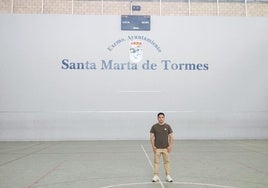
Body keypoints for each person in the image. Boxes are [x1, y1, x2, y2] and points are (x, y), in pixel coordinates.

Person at [150, 112, 173, 182]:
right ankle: (156, 176)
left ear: (164, 118)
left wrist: (170, 146)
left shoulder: (168, 126)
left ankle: (168, 176)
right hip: (157, 148)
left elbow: (171, 136)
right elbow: (151, 137)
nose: (161, 118)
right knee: (156, 162)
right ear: (157, 118)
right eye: (159, 117)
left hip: (166, 148)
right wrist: (153, 146)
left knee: (166, 162)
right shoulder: (154, 126)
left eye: (162, 117)